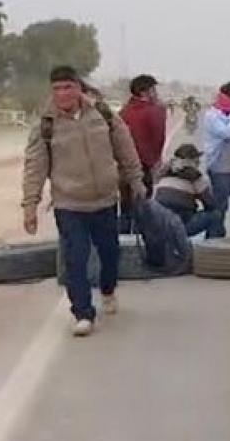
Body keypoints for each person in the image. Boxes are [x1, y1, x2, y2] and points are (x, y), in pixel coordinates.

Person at [22, 66, 147, 337]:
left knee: (109, 253)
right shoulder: (46, 124)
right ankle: (83, 313)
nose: (62, 93)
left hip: (104, 200)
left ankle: (108, 289)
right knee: (75, 260)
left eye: (68, 87)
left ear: (79, 88)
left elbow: (125, 148)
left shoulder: (102, 115)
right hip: (69, 204)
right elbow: (35, 167)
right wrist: (29, 206)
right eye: (56, 89)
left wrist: (136, 180)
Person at [154, 143, 224, 238]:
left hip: (159, 224)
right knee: (215, 215)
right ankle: (212, 247)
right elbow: (210, 204)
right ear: (194, 161)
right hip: (180, 224)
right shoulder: (194, 176)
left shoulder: (165, 172)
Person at [202, 82, 230, 222]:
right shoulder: (212, 115)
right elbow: (225, 133)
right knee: (220, 206)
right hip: (219, 168)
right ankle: (215, 237)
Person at [120, 74, 166, 196]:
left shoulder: (124, 111)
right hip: (144, 163)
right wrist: (155, 161)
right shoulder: (153, 110)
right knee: (144, 202)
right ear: (144, 92)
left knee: (126, 201)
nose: (156, 93)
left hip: (123, 165)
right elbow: (158, 138)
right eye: (153, 90)